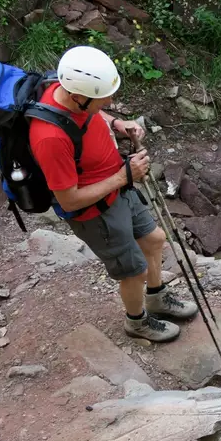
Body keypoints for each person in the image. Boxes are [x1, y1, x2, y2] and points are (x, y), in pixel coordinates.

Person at [29, 46, 197, 342]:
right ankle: (137, 322)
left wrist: (116, 123)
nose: (110, 101)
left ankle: (157, 297)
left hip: (118, 185)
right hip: (95, 212)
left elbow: (89, 114)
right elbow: (68, 200)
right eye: (103, 97)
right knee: (132, 271)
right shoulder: (49, 138)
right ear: (79, 96)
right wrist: (124, 176)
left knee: (155, 239)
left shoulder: (65, 89)